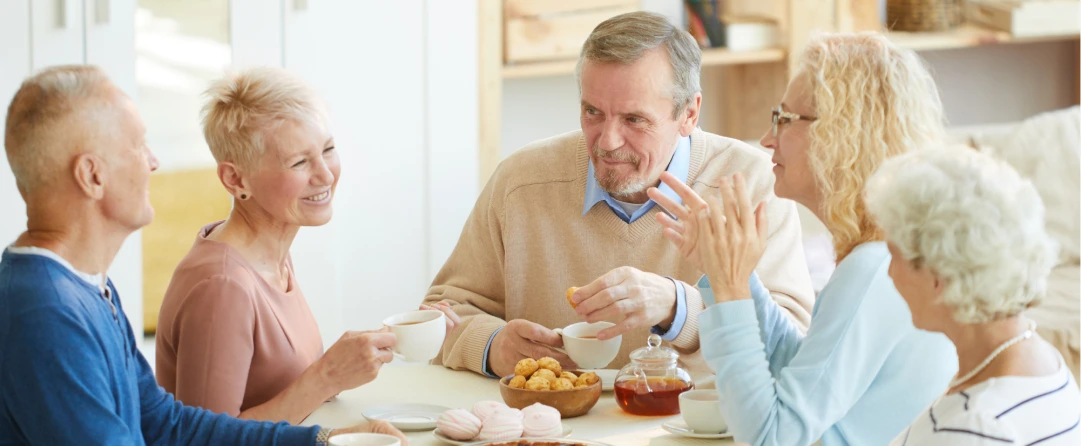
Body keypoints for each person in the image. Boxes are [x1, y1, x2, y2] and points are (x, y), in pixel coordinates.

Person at [0, 65, 405, 445]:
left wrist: (324, 440)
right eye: (138, 147)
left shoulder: (84, 288)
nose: (154, 163)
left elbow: (165, 423)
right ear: (92, 176)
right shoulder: (44, 314)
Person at [424, 11, 814, 378]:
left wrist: (679, 307)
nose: (607, 142)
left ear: (689, 114)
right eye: (593, 112)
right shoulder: (522, 181)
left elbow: (793, 348)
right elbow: (442, 312)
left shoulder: (751, 183)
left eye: (634, 119)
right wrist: (493, 346)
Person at [651, 33, 957, 445]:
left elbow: (770, 437)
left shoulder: (874, 268)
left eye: (784, 119)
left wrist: (731, 291)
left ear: (844, 134)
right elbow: (799, 373)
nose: (767, 138)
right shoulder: (884, 255)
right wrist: (728, 274)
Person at [155, 67, 459, 423]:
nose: (326, 175)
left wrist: (387, 341)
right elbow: (206, 440)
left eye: (328, 149)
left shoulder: (269, 257)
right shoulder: (223, 288)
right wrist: (327, 376)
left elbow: (280, 387)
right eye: (299, 162)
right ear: (235, 178)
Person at [864, 147, 1081, 445]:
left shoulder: (975, 427)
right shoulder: (1047, 362)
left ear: (936, 276)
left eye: (893, 255)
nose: (889, 273)